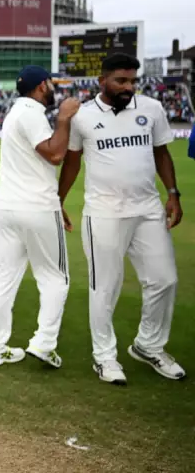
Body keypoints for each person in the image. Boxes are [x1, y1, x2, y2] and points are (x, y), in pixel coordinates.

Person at [58, 53, 185, 385]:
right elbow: (72, 161)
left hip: (148, 209)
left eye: (133, 81)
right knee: (105, 287)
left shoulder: (151, 109)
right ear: (102, 81)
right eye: (121, 81)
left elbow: (161, 152)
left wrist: (173, 193)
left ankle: (148, 345)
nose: (129, 87)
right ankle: (104, 357)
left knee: (164, 280)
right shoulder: (83, 116)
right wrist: (58, 200)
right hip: (103, 212)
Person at [0, 66, 79, 368]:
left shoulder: (16, 112)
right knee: (55, 278)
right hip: (37, 206)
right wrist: (64, 118)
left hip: (8, 207)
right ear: (41, 86)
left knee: (1, 279)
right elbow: (55, 154)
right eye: (50, 83)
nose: (53, 89)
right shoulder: (32, 112)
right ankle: (44, 343)